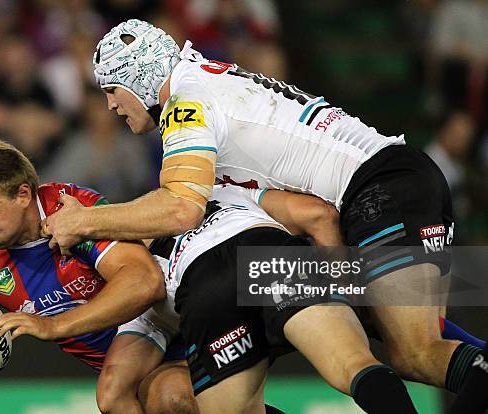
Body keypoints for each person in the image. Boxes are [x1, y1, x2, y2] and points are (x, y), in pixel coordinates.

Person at [42, 19, 488, 411]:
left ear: (138, 79)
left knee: (415, 351)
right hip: (396, 182)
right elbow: (313, 213)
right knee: (416, 348)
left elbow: (181, 207)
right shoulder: (209, 81)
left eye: (111, 90)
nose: (110, 106)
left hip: (378, 192)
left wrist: (85, 221)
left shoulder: (186, 104)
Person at [0, 183, 419, 414]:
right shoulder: (233, 187)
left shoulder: (139, 237)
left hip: (205, 286)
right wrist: (343, 288)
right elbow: (319, 216)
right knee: (355, 365)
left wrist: (82, 223)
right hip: (272, 254)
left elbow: (143, 300)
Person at [0, 138, 198, 414]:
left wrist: (53, 325)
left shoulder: (72, 212)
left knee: (157, 395)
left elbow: (145, 282)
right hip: (145, 370)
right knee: (159, 396)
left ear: (22, 195)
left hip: (184, 331)